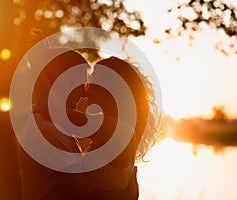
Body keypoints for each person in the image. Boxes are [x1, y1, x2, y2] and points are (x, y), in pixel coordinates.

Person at [20, 49, 158, 200]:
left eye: (92, 86)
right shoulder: (112, 132)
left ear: (112, 92)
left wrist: (38, 65)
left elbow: (53, 111)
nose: (86, 93)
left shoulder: (116, 129)